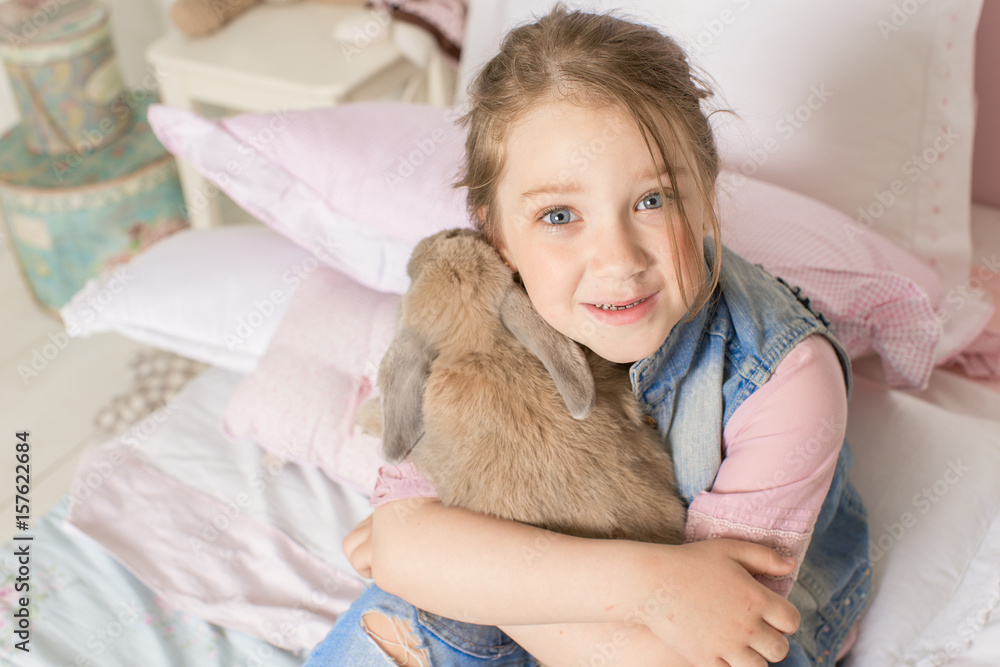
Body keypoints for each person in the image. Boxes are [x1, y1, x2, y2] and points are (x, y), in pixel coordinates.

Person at [304, 4, 872, 666]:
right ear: (498, 236)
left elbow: (706, 645)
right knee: (403, 619)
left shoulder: (786, 375)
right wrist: (652, 587)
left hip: (735, 643)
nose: (618, 259)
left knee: (432, 595)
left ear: (707, 196)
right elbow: (401, 539)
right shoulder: (478, 311)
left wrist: (467, 572)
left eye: (653, 200)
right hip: (612, 605)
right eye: (560, 214)